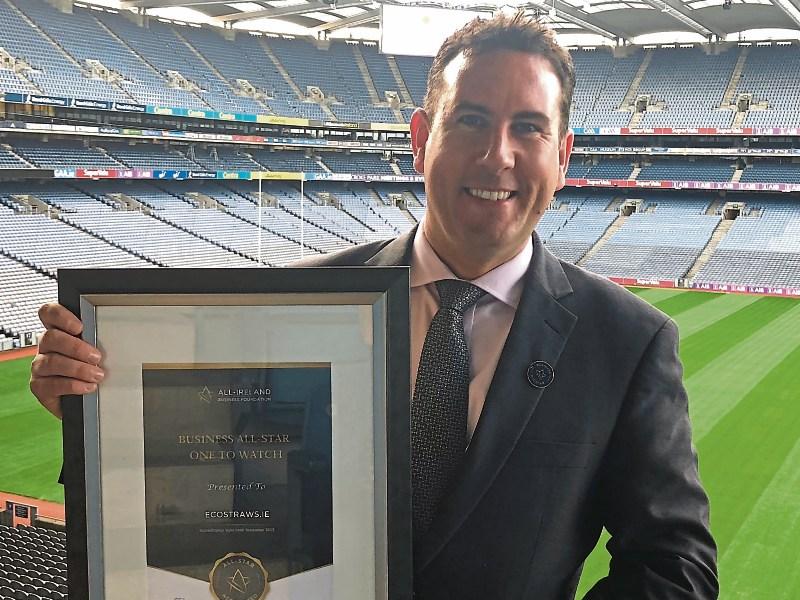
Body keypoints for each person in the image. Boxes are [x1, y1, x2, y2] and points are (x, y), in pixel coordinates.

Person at [29, 12, 718, 599]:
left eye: (529, 129)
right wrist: (96, 417)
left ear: (563, 158)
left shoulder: (626, 343)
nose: (497, 154)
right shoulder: (292, 304)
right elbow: (216, 488)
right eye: (470, 119)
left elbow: (676, 566)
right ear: (420, 139)